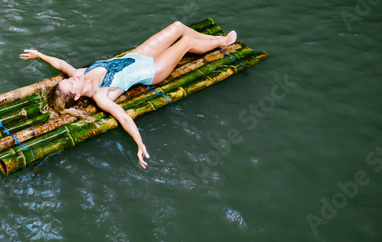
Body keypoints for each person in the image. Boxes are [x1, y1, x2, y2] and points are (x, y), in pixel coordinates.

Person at [20, 20, 238, 169]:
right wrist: (139, 143)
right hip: (153, 69)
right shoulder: (101, 96)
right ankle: (221, 41)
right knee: (186, 43)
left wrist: (39, 54)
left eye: (67, 80)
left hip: (139, 55)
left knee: (178, 26)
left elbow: (60, 63)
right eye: (70, 84)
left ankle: (211, 40)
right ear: (75, 97)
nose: (72, 79)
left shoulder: (80, 73)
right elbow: (124, 117)